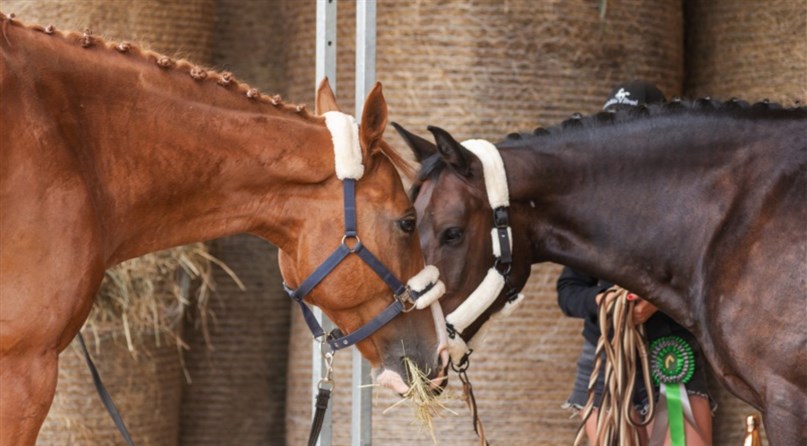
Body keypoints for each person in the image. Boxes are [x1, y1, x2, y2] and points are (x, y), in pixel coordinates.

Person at [558, 81, 715, 446]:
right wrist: (604, 303)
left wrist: (657, 299)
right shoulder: (589, 212)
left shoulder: (685, 207)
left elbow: (705, 284)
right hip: (607, 360)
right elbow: (568, 292)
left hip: (671, 354)